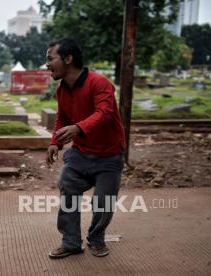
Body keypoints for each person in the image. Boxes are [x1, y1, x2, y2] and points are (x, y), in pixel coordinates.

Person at [45, 38, 126, 259]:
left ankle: (96, 239)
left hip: (109, 155)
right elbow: (62, 117)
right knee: (67, 185)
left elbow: (105, 112)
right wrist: (55, 141)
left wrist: (79, 128)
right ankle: (71, 242)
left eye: (50, 58)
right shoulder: (62, 90)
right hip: (80, 153)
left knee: (103, 201)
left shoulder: (99, 83)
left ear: (68, 59)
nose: (47, 64)